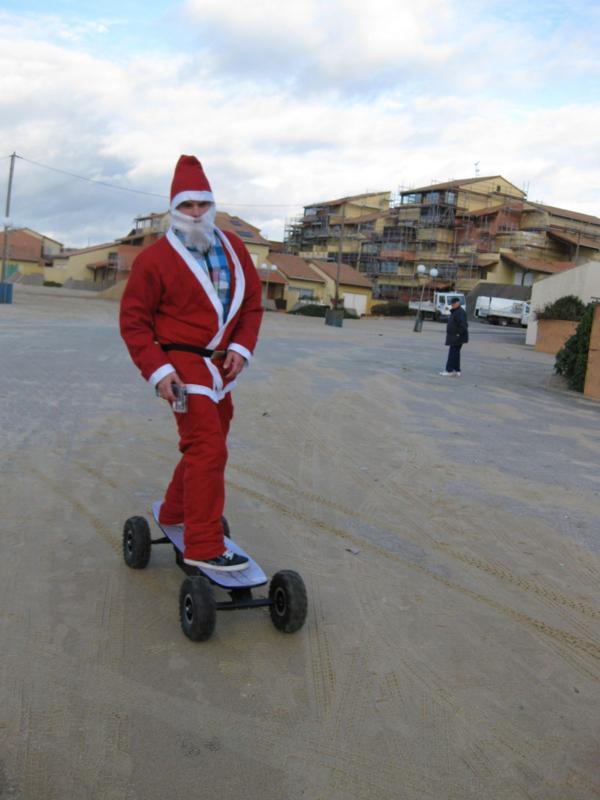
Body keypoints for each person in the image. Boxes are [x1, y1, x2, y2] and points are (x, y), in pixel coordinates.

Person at [120, 155, 263, 570]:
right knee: (208, 447)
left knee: (208, 444)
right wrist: (159, 371)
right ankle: (202, 543)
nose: (196, 212)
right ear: (173, 209)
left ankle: (174, 512)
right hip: (181, 366)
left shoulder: (235, 249)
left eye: (202, 203)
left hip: (222, 367)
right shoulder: (154, 260)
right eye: (187, 205)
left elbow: (252, 306)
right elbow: (133, 322)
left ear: (212, 204)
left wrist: (241, 348)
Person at [440, 296, 468, 376]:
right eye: (451, 304)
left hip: (457, 336)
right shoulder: (456, 311)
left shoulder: (460, 312)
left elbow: (464, 325)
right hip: (455, 336)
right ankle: (457, 370)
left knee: (452, 353)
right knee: (456, 353)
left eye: (453, 304)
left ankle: (449, 370)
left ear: (458, 303)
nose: (452, 305)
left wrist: (458, 333)